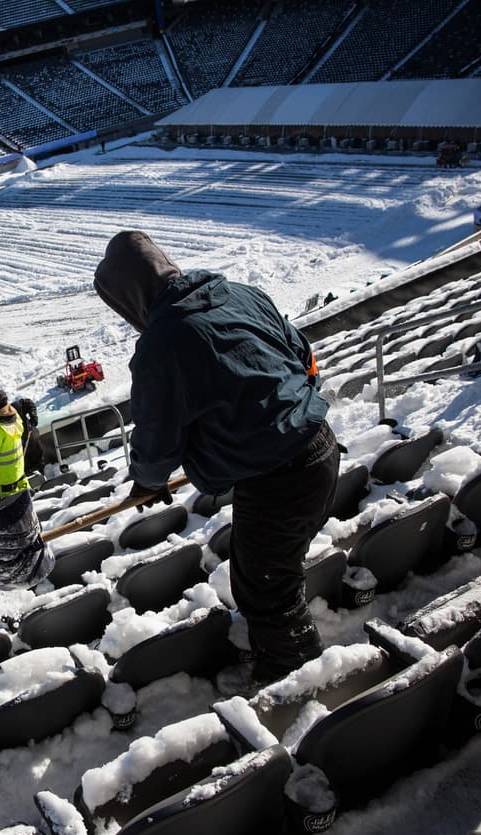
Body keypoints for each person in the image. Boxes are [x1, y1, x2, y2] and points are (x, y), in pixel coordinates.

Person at [93, 231, 338, 684]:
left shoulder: (161, 344)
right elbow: (304, 358)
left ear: (128, 298)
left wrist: (148, 481)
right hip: (320, 446)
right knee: (263, 571)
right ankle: (277, 655)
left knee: (266, 590)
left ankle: (300, 687)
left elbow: (156, 438)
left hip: (277, 477)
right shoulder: (242, 294)